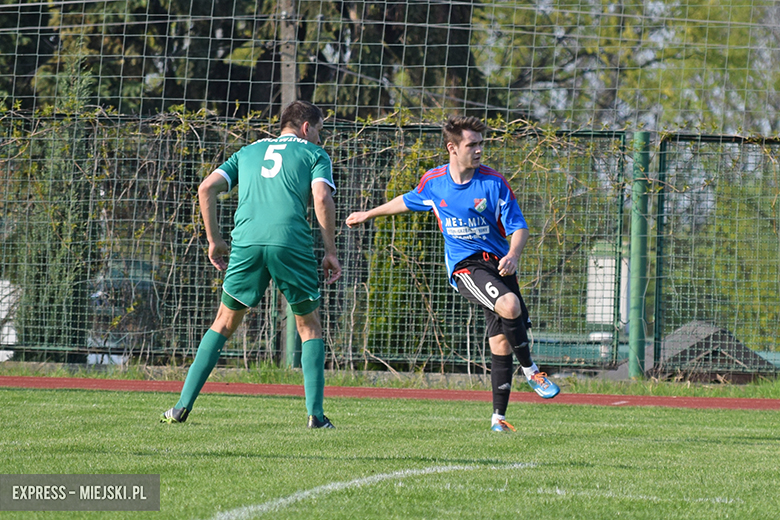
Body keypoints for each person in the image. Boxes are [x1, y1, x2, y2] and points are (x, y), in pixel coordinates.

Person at [345, 115, 559, 432]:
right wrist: (368, 214)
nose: (478, 150)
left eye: (480, 144)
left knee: (500, 341)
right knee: (510, 306)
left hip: (500, 263)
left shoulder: (493, 183)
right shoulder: (434, 182)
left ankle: (498, 419)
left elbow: (519, 227)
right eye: (471, 145)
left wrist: (513, 254)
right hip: (466, 267)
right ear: (452, 148)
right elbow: (407, 200)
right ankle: (532, 371)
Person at [161, 100, 342, 429]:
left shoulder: (248, 151)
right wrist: (330, 250)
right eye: (319, 131)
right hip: (291, 241)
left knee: (224, 322)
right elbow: (320, 197)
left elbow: (206, 188)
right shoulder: (314, 154)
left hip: (246, 242)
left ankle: (180, 407)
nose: (320, 138)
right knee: (309, 326)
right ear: (306, 127)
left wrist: (214, 240)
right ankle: (315, 415)